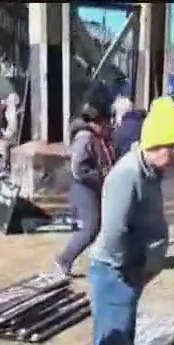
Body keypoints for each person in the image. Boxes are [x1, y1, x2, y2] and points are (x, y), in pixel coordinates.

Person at [89, 96, 174, 345]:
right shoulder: (127, 175)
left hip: (129, 272)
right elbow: (114, 229)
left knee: (124, 341)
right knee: (114, 343)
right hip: (115, 272)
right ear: (157, 142)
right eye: (173, 148)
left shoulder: (149, 173)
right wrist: (129, 271)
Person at [54, 102, 115, 277]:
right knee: (91, 227)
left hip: (93, 186)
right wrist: (99, 176)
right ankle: (64, 259)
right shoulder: (85, 138)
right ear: (96, 122)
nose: (108, 125)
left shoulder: (97, 137)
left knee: (102, 225)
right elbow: (78, 168)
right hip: (84, 187)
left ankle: (104, 259)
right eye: (105, 122)